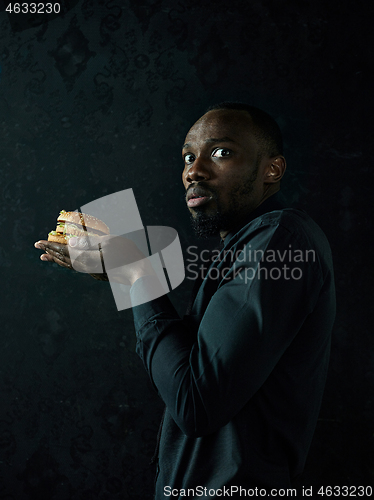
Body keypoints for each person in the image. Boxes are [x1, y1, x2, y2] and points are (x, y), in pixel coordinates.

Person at [35, 102, 336, 498]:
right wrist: (125, 271)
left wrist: (135, 272)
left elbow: (195, 403)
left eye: (221, 152)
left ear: (272, 170)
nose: (194, 171)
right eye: (189, 157)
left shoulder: (281, 240)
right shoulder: (243, 249)